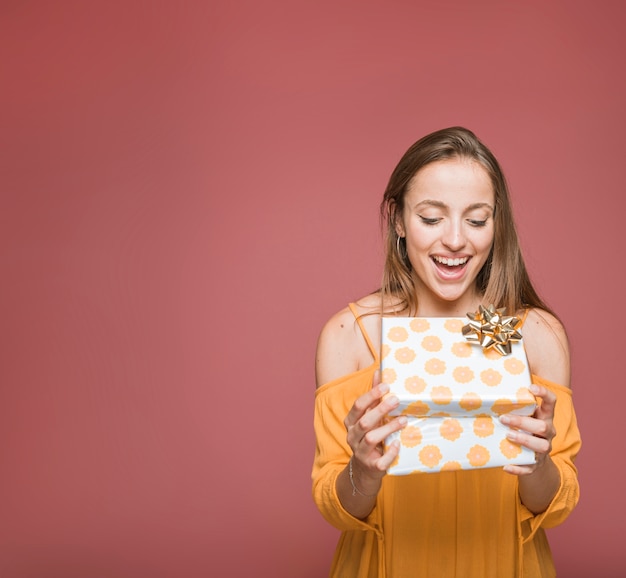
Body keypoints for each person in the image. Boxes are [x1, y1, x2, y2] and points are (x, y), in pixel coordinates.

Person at [312, 127, 581, 577]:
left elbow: (554, 506)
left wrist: (536, 463)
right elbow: (337, 507)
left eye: (476, 220)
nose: (456, 241)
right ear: (398, 220)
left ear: (497, 224)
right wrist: (364, 469)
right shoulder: (348, 336)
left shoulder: (535, 334)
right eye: (432, 218)